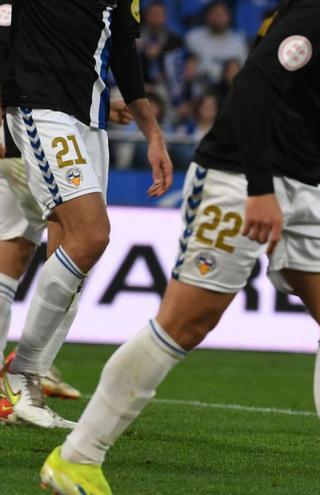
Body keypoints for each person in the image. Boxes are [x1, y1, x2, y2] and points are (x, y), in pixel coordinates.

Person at [39, 0, 320, 494]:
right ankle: (77, 458)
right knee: (187, 321)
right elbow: (252, 84)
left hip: (306, 183)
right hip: (240, 175)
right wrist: (261, 188)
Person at [0, 0, 173, 429]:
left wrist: (151, 131)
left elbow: (124, 51)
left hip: (89, 119)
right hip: (36, 104)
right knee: (90, 235)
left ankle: (29, 387)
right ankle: (22, 371)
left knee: (74, 251)